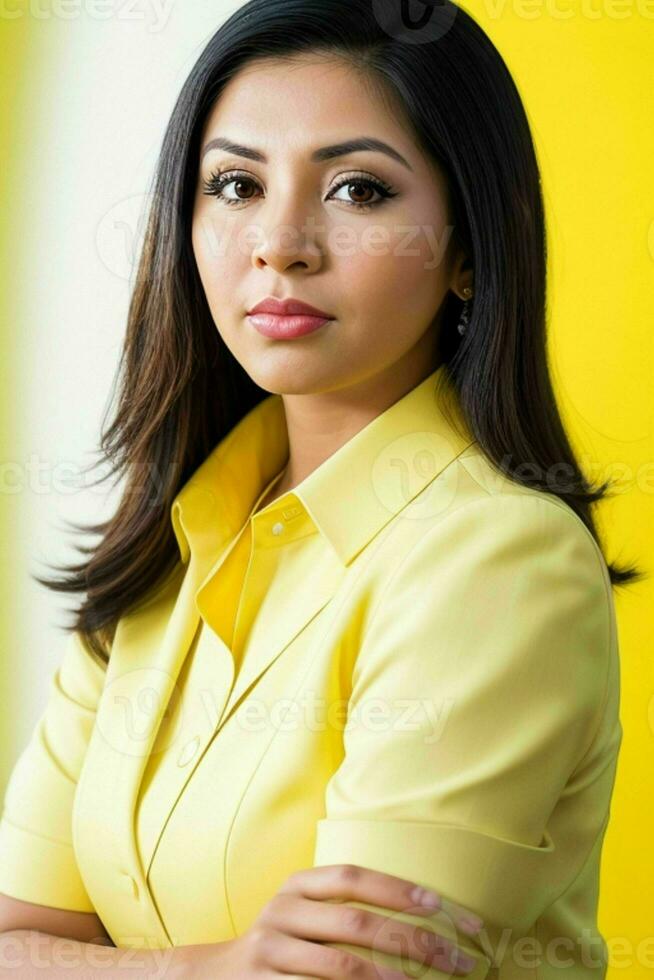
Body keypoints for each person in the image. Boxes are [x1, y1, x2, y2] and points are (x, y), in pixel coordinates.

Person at [0, 0, 642, 976]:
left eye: (356, 188)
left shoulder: (500, 561)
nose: (280, 243)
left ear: (468, 247)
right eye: (235, 183)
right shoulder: (164, 547)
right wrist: (207, 967)